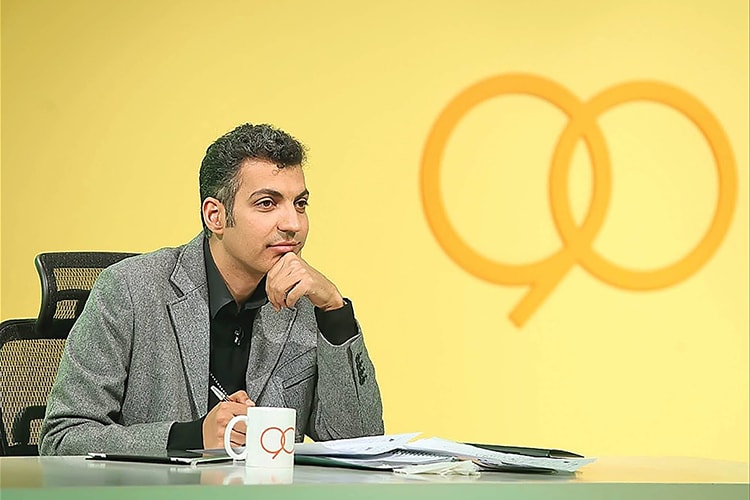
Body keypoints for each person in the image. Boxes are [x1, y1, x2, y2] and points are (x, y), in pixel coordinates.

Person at [39, 123, 384, 454]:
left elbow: (361, 442)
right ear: (215, 216)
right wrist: (191, 436)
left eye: (300, 204)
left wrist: (334, 311)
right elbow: (63, 439)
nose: (293, 224)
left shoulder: (305, 303)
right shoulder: (129, 290)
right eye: (267, 203)